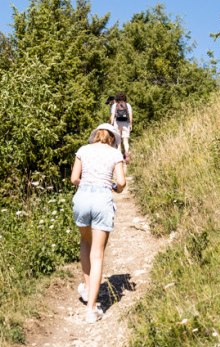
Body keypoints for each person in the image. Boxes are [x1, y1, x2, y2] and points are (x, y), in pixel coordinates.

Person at [70, 123, 127, 323]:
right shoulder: (114, 154)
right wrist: (113, 187)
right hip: (102, 198)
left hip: (82, 197)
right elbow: (121, 182)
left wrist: (88, 183)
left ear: (96, 135)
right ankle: (91, 310)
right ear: (112, 138)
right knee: (98, 254)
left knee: (85, 243)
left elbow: (74, 178)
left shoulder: (83, 150)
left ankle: (87, 290)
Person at [110, 94, 134, 162]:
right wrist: (131, 124)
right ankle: (126, 153)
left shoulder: (115, 105)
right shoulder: (128, 105)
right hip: (126, 124)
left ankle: (119, 156)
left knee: (118, 140)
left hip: (117, 124)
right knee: (125, 140)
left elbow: (112, 116)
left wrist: (111, 124)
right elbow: (130, 115)